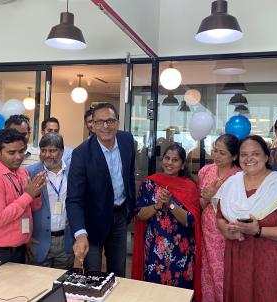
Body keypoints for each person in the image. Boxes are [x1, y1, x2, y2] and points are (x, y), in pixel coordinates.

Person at [216, 135, 277, 302]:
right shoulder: (231, 183)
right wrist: (226, 231)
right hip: (240, 258)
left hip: (274, 263)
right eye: (243, 154)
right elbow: (220, 217)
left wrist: (258, 231)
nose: (249, 159)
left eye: (255, 153)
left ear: (266, 157)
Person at [66, 102, 135, 277]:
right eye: (99, 122)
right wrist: (80, 234)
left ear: (118, 122)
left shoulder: (127, 141)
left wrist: (130, 208)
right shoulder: (81, 154)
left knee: (118, 272)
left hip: (119, 217)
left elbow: (130, 177)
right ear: (92, 125)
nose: (105, 126)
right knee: (93, 275)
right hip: (92, 222)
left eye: (110, 121)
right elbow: (74, 199)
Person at [131, 143, 202, 301]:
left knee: (179, 294)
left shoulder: (189, 187)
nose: (169, 163)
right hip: (155, 252)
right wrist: (157, 205)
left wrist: (170, 204)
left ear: (182, 164)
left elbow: (190, 221)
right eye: (167, 158)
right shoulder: (149, 184)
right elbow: (139, 215)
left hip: (181, 252)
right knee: (154, 293)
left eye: (175, 160)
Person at [0, 128, 45, 272]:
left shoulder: (22, 172)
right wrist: (28, 195)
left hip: (17, 249)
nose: (18, 157)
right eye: (12, 153)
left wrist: (35, 195)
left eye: (22, 151)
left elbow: (31, 208)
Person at [198, 134, 240, 302]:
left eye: (222, 153)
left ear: (234, 156)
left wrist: (216, 196)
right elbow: (201, 205)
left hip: (229, 231)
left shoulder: (239, 176)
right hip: (208, 229)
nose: (216, 156)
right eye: (215, 151)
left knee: (224, 273)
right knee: (207, 270)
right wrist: (207, 198)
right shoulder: (205, 171)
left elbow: (241, 208)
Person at [26, 133, 74, 269]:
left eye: (52, 151)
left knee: (62, 285)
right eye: (43, 150)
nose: (47, 155)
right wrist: (25, 236)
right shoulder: (30, 172)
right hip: (38, 242)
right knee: (38, 286)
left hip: (66, 241)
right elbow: (24, 208)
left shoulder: (73, 172)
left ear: (62, 151)